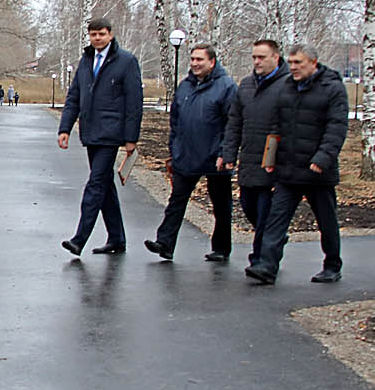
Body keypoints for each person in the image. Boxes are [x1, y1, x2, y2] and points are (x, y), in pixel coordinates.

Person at [243, 44, 349, 285]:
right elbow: (276, 125)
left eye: (298, 63)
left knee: (326, 220)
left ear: (313, 62)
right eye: (290, 63)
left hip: (317, 171)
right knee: (275, 219)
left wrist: (322, 159)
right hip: (288, 170)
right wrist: (270, 159)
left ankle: (332, 264)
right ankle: (267, 266)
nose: (293, 68)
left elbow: (336, 128)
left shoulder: (332, 88)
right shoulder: (287, 87)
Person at [57, 19, 144, 256]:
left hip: (112, 133)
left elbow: (135, 102)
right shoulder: (86, 61)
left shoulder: (125, 61)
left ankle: (79, 238)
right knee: (105, 185)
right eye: (93, 34)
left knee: (95, 184)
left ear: (110, 34)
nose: (97, 38)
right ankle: (117, 238)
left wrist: (131, 138)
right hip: (91, 132)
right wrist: (65, 128)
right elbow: (74, 96)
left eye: (101, 34)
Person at [144, 43, 237, 262]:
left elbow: (232, 124)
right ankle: (165, 243)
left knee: (221, 206)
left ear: (212, 62)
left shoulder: (226, 87)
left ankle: (221, 248)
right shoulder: (185, 86)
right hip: (186, 155)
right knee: (176, 200)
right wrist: (174, 148)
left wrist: (226, 152)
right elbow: (175, 120)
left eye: (200, 60)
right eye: (193, 59)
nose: (195, 63)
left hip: (216, 158)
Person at [219, 38, 288, 271]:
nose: (256, 62)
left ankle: (261, 261)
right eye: (254, 57)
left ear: (275, 58)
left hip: (274, 161)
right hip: (249, 158)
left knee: (266, 209)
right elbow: (234, 122)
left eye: (262, 57)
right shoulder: (247, 85)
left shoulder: (287, 85)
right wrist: (228, 153)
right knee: (249, 206)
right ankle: (274, 237)